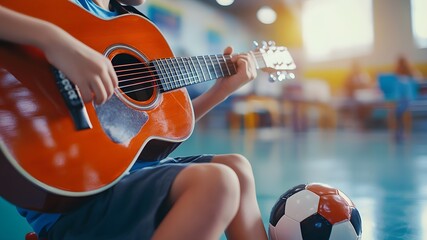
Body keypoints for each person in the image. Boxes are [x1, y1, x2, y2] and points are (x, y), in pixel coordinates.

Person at [0, 1, 269, 239]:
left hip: (126, 176)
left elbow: (157, 128)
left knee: (236, 168)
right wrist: (55, 41)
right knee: (218, 182)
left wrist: (220, 92)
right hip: (75, 198)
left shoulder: (136, 26)